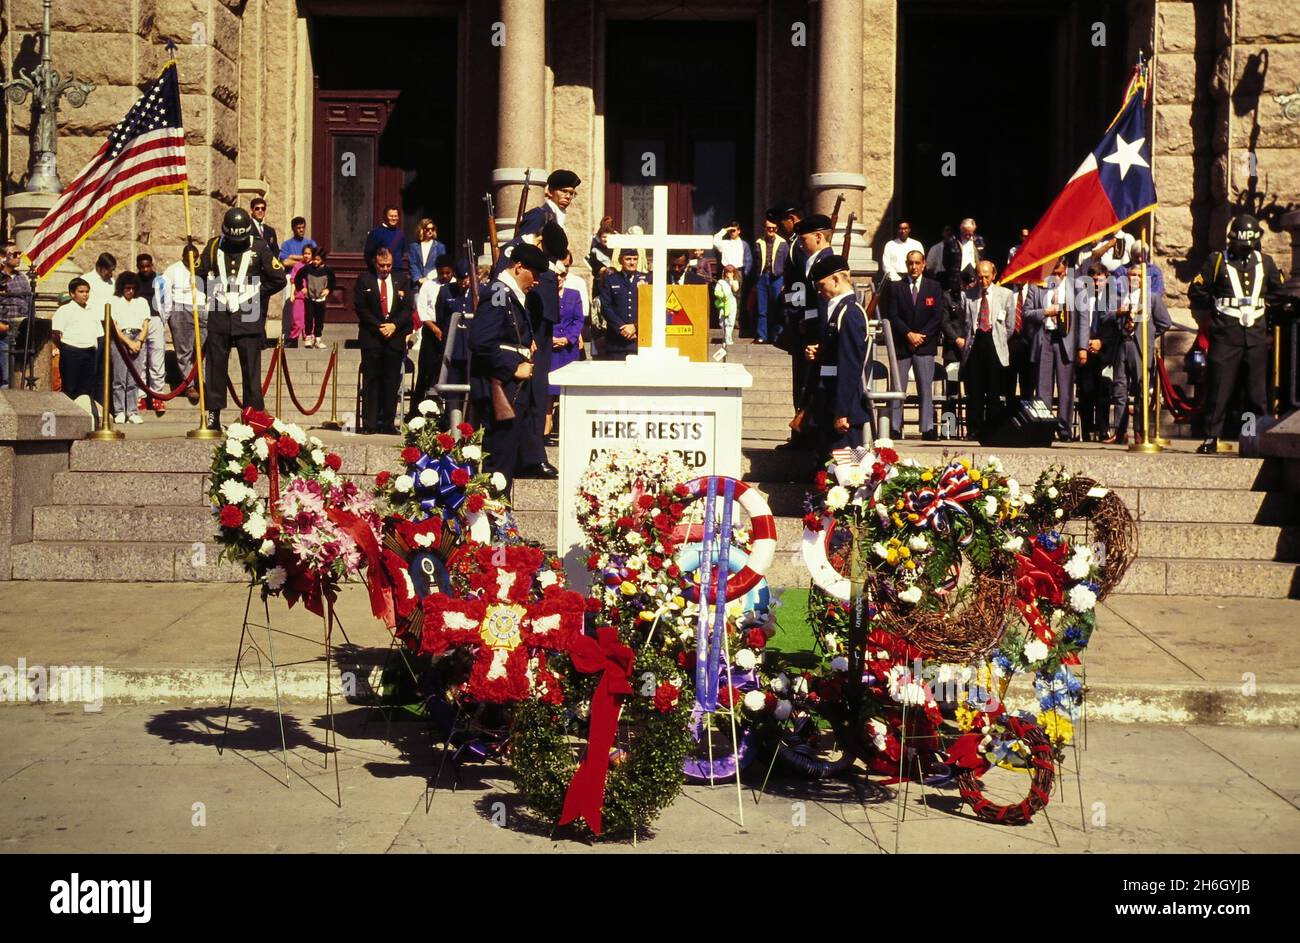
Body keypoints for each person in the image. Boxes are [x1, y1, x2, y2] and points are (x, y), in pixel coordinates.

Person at [1188, 213, 1284, 453]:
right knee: (1219, 388)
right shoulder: (1217, 261)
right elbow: (1197, 291)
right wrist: (1211, 318)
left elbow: (1277, 293)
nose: (1244, 249)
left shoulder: (1267, 262)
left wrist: (1269, 325)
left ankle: (1251, 436)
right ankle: (1212, 437)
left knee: (1255, 392)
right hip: (1225, 334)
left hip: (1256, 336)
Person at [197, 207, 288, 430]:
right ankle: (213, 414)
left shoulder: (259, 247)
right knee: (216, 367)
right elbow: (198, 273)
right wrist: (213, 290)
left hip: (248, 313)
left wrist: (256, 292)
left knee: (251, 369)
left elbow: (278, 278)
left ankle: (253, 413)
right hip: (220, 313)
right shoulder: (212, 246)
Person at [470, 242, 547, 487]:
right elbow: (481, 342)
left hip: (512, 390)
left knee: (507, 465)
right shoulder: (499, 292)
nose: (536, 281)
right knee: (498, 467)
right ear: (518, 267)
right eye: (534, 274)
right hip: (503, 387)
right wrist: (512, 367)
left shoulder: (509, 293)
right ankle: (494, 521)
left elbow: (506, 333)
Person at [778, 213, 835, 449]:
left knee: (814, 390)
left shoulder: (826, 262)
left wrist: (813, 328)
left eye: (804, 240)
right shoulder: (812, 260)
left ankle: (813, 443)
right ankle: (803, 436)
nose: (801, 245)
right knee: (803, 386)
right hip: (805, 333)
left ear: (819, 236)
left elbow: (824, 306)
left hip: (816, 337)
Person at [518, 222, 567, 480]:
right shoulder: (540, 273)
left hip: (539, 335)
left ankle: (532, 456)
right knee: (532, 399)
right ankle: (532, 458)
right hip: (534, 338)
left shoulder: (543, 271)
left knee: (535, 399)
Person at [1107, 249, 1172, 445]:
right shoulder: (1120, 297)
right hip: (1122, 345)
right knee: (1119, 389)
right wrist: (1118, 313)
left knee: (1141, 390)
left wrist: (1150, 336)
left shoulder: (1151, 298)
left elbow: (1165, 322)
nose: (1134, 278)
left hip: (1141, 347)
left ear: (1144, 279)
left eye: (1137, 275)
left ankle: (1139, 430)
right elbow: (1106, 316)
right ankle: (1120, 431)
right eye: (1130, 275)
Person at [807, 254, 869, 454]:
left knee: (844, 474)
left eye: (821, 284)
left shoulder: (849, 313)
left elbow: (850, 366)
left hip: (841, 404)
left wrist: (842, 411)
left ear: (835, 279)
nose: (819, 290)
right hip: (828, 399)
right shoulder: (838, 309)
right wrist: (820, 352)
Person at [882, 250, 944, 439]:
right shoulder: (897, 287)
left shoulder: (933, 287)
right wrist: (908, 334)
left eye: (918, 263)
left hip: (925, 345)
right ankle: (894, 426)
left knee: (925, 386)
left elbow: (937, 316)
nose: (914, 267)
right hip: (903, 344)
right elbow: (892, 315)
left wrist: (921, 336)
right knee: (897, 388)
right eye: (910, 263)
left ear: (924, 264)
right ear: (906, 264)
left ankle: (927, 428)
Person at [1023, 257, 1086, 441]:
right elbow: (1027, 313)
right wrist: (1045, 312)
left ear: (1066, 269)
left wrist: (1082, 346)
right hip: (1045, 338)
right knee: (1043, 387)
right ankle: (1045, 429)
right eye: (1052, 271)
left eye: (1058, 272)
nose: (1055, 275)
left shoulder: (1078, 286)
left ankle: (1065, 429)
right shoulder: (1037, 285)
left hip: (1066, 340)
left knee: (1066, 388)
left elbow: (1083, 319)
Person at [355, 247, 412, 434]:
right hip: (372, 337)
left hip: (394, 338)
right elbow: (361, 308)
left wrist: (394, 325)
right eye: (382, 265)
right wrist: (380, 326)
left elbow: (407, 308)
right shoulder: (365, 280)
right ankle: (369, 424)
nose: (385, 269)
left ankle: (388, 423)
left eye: (388, 265)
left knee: (391, 381)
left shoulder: (401, 279)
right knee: (371, 380)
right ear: (375, 262)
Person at [956, 259, 1014, 438]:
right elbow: (964, 322)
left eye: (987, 277)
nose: (983, 281)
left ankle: (993, 430)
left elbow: (1010, 326)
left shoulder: (1006, 295)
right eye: (980, 277)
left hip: (995, 344)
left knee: (994, 391)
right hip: (975, 344)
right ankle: (974, 429)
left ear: (994, 275)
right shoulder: (968, 295)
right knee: (974, 391)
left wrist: (1000, 339)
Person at [1074, 262, 1121, 442]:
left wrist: (1102, 342)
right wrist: (1082, 346)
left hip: (1105, 351)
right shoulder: (1081, 299)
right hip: (1085, 350)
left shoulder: (1114, 300)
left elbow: (1115, 329)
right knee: (1086, 392)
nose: (1096, 284)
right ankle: (1086, 430)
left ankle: (1102, 429)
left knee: (1103, 393)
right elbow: (1077, 326)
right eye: (1093, 280)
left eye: (1099, 280)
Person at [158, 244, 207, 403]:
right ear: (183, 256)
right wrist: (166, 315)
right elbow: (163, 292)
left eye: (195, 258)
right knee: (184, 350)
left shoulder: (204, 267)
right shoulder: (173, 270)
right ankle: (189, 384)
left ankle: (203, 381)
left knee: (203, 349)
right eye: (189, 259)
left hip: (200, 308)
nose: (192, 262)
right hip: (180, 308)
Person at [51, 278, 103, 415]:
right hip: (71, 350)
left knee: (85, 389)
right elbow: (56, 333)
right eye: (81, 291)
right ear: (72, 294)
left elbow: (98, 333)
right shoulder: (65, 310)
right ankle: (67, 416)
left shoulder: (93, 310)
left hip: (89, 351)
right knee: (70, 387)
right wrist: (65, 348)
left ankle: (85, 417)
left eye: (87, 292)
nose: (85, 295)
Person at [411, 254, 456, 413]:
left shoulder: (456, 286)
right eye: (441, 273)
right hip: (432, 331)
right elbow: (422, 310)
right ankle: (416, 411)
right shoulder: (428, 286)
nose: (444, 276)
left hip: (450, 330)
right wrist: (435, 329)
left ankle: (443, 411)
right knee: (426, 371)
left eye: (447, 273)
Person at [548, 262, 585, 442]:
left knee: (566, 391)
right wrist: (550, 339)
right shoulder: (543, 296)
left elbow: (578, 320)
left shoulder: (573, 294)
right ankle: (545, 432)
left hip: (567, 350)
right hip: (550, 348)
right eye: (555, 275)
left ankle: (567, 431)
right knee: (548, 393)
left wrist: (569, 338)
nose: (558, 279)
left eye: (562, 275)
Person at [108, 272, 152, 424]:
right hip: (121, 339)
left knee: (134, 378)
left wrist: (139, 341)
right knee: (119, 378)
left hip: (138, 337)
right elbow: (115, 326)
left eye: (133, 288)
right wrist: (128, 342)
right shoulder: (114, 301)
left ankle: (132, 411)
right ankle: (119, 410)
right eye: (127, 288)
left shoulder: (142, 302)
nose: (130, 292)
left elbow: (146, 325)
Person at [134, 253, 168, 416]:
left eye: (148, 266)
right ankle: (140, 396)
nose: (145, 269)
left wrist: (164, 320)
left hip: (155, 319)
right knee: (140, 359)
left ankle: (157, 396)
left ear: (152, 265)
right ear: (138, 267)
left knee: (157, 358)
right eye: (142, 267)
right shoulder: (133, 280)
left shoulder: (161, 279)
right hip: (139, 321)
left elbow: (167, 301)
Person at [598, 247, 645, 361]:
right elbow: (606, 307)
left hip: (639, 339)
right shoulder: (611, 280)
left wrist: (635, 326)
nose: (632, 262)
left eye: (635, 259)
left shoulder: (646, 278)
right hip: (616, 341)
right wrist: (622, 328)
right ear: (620, 260)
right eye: (628, 259)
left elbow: (650, 308)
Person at [0, 241, 33, 388]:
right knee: (6, 376)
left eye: (19, 253)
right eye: (14, 254)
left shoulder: (21, 277)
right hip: (4, 332)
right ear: (2, 256)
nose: (18, 257)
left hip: (21, 332)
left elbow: (30, 302)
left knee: (19, 374)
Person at [753, 212, 788, 344]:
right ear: (764, 228)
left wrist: (786, 282)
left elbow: (787, 263)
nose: (771, 230)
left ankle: (776, 336)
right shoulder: (759, 242)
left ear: (777, 229)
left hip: (777, 278)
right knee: (762, 308)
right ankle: (762, 336)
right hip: (763, 277)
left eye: (773, 228)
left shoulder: (783, 243)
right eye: (769, 228)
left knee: (777, 307)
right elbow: (755, 263)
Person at [295, 247, 336, 349]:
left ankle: (318, 338)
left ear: (322, 259)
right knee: (309, 318)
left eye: (318, 260)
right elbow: (298, 277)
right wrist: (301, 288)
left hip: (321, 299)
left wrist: (328, 290)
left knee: (319, 320)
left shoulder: (327, 270)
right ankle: (308, 337)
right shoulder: (308, 268)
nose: (315, 262)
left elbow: (333, 282)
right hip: (310, 298)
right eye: (314, 259)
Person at [942, 219, 984, 295]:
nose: (968, 236)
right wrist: (953, 273)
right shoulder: (951, 240)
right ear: (961, 229)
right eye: (965, 233)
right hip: (957, 279)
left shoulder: (979, 240)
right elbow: (946, 262)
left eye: (970, 233)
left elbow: (982, 258)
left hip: (974, 278)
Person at [363, 205, 408, 274]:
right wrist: (376, 270)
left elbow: (401, 253)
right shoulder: (375, 233)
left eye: (396, 216)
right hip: (380, 272)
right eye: (391, 216)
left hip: (397, 272)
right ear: (384, 217)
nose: (393, 218)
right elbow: (368, 255)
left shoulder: (400, 234)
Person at [285, 244, 314, 346]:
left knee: (310, 319)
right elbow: (293, 281)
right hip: (299, 296)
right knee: (297, 319)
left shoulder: (315, 266)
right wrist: (292, 294)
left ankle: (309, 339)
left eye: (309, 254)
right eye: (305, 253)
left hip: (311, 297)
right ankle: (293, 339)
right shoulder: (298, 266)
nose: (306, 256)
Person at [407, 218, 446, 290]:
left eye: (432, 229)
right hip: (417, 285)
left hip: (433, 282)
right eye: (427, 229)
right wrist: (418, 279)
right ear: (421, 230)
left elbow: (440, 264)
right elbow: (412, 264)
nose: (430, 231)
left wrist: (428, 278)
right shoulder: (414, 246)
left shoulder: (440, 247)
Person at [79, 252, 116, 317]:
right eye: (108, 271)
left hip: (110, 322)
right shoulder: (85, 280)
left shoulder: (113, 283)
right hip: (91, 320)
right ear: (99, 267)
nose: (110, 274)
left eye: (112, 271)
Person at [714, 264, 741, 345]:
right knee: (722, 322)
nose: (729, 274)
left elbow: (735, 289)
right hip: (723, 303)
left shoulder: (735, 281)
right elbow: (716, 292)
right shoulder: (720, 281)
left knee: (730, 321)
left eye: (731, 272)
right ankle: (725, 336)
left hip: (732, 303)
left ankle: (728, 338)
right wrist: (722, 295)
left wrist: (731, 280)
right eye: (727, 272)